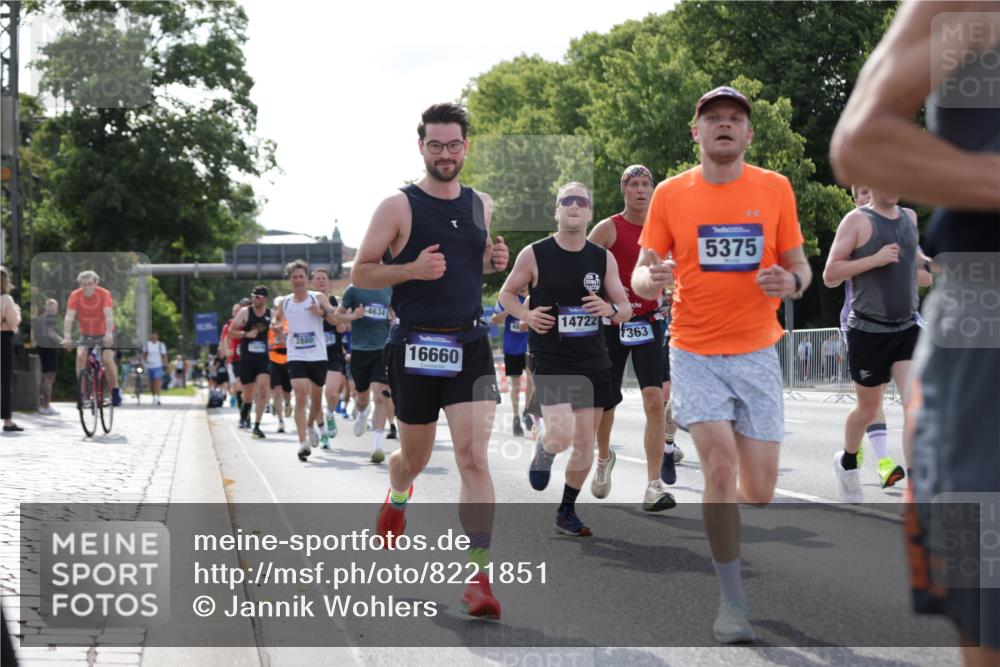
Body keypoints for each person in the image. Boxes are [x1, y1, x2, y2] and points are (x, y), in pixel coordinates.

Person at [831, 4, 999, 661]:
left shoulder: (907, 221)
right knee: (986, 611)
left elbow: (921, 266)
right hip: (976, 322)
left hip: (911, 321)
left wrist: (916, 270)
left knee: (896, 402)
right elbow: (860, 141)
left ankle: (893, 467)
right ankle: (863, 464)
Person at [632, 86, 811, 644]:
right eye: (714, 119)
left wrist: (792, 282)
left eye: (736, 119)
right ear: (697, 132)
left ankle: (732, 511)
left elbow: (800, 266)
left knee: (756, 489)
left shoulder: (775, 188)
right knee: (718, 471)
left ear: (749, 133)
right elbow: (642, 272)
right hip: (694, 349)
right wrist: (651, 279)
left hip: (757, 349)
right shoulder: (670, 193)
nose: (725, 126)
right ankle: (732, 602)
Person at [351, 102, 509, 618]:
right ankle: (398, 495)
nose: (446, 153)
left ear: (467, 147)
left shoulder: (482, 204)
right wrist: (412, 270)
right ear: (421, 147)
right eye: (435, 145)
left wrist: (493, 261)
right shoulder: (398, 206)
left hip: (470, 346)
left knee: (472, 457)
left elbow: (470, 265)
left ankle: (479, 577)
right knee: (413, 458)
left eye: (454, 144)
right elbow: (362, 273)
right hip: (414, 346)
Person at [501, 181, 634, 535]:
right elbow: (507, 293)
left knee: (585, 442)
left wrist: (610, 308)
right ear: (557, 210)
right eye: (567, 201)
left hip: (592, 359)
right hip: (552, 356)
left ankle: (566, 510)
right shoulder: (534, 253)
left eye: (581, 201)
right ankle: (546, 449)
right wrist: (526, 316)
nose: (574, 207)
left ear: (590, 212)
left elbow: (624, 308)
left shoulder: (602, 258)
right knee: (561, 435)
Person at [823, 187, 932, 500]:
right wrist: (875, 259)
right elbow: (830, 274)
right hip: (866, 329)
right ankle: (847, 461)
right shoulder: (854, 221)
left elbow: (923, 275)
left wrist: (930, 264)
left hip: (906, 325)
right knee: (869, 410)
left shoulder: (908, 218)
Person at [588, 164, 678, 507]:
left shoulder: (664, 229)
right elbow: (580, 262)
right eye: (634, 184)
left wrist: (672, 292)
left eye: (646, 184)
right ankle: (603, 458)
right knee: (606, 402)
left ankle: (653, 485)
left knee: (655, 400)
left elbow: (678, 267)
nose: (641, 190)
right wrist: (600, 301)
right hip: (612, 324)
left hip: (650, 321)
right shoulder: (609, 228)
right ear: (624, 190)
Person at [274, 260, 344, 461]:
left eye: (301, 276)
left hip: (318, 356)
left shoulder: (318, 297)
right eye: (294, 277)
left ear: (307, 279)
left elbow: (334, 319)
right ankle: (303, 442)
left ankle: (311, 425)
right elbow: (277, 320)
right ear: (290, 280)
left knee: (315, 399)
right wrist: (277, 328)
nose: (298, 280)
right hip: (296, 355)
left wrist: (320, 312)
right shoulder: (285, 302)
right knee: (300, 394)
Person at [339, 282, 393, 462]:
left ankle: (377, 446)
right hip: (360, 350)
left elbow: (395, 312)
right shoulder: (353, 289)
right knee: (362, 398)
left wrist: (393, 318)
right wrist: (352, 316)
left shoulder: (388, 288)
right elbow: (337, 314)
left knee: (381, 395)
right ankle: (362, 413)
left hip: (383, 349)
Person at [310, 268, 360, 448]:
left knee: (331, 393)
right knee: (315, 398)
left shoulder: (335, 302)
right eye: (317, 279)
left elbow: (344, 324)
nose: (321, 281)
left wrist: (343, 326)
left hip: (333, 354)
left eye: (324, 278)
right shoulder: (306, 302)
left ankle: (330, 413)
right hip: (311, 355)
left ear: (328, 282)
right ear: (312, 283)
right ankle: (323, 433)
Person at [62, 270, 121, 407]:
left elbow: (109, 316)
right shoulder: (75, 295)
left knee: (107, 359)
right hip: (87, 333)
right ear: (80, 285)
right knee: (80, 356)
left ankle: (116, 390)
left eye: (90, 284)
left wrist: (108, 333)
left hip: (106, 331)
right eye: (84, 285)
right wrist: (67, 337)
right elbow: (69, 318)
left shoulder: (104, 294)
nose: (87, 287)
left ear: (96, 283)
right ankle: (82, 394)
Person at [229, 286, 274, 438]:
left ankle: (257, 425)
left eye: (258, 297)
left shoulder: (270, 314)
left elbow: (280, 328)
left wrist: (279, 331)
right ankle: (245, 411)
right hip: (247, 358)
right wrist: (245, 334)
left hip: (263, 358)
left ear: (265, 299)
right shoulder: (245, 312)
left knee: (263, 387)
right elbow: (230, 331)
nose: (255, 299)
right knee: (248, 394)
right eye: (253, 296)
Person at [490, 286, 529, 437]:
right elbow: (494, 320)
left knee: (533, 377)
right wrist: (510, 310)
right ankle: (516, 417)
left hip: (529, 345)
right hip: (512, 347)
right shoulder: (507, 297)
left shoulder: (533, 296)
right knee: (516, 386)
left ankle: (527, 411)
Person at [0, 266, 23, 432]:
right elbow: (14, 322)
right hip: (3, 339)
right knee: (5, 381)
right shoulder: (6, 299)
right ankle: (7, 421)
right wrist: (18, 313)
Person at [32, 298, 64, 415]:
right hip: (50, 349)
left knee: (44, 378)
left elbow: (34, 337)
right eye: (55, 308)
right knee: (49, 378)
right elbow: (51, 334)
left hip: (41, 349)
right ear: (50, 308)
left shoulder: (39, 319)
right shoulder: (51, 318)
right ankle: (46, 405)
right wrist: (63, 342)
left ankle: (41, 405)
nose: (55, 310)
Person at [268, 297, 292, 433]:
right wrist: (270, 345)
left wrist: (280, 338)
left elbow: (289, 342)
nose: (280, 309)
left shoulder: (290, 322)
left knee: (287, 392)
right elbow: (267, 342)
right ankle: (280, 421)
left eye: (283, 306)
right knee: (276, 391)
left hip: (288, 359)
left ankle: (288, 404)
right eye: (278, 307)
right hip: (274, 360)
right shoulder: (270, 324)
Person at [142, 331, 167, 405]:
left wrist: (166, 363)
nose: (154, 337)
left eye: (155, 335)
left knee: (157, 381)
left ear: (157, 336)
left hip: (158, 366)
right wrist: (143, 361)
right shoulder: (147, 345)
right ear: (151, 336)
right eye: (152, 335)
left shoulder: (161, 345)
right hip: (149, 366)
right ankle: (153, 397)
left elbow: (164, 355)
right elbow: (144, 354)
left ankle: (158, 398)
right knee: (152, 383)